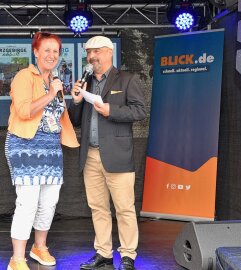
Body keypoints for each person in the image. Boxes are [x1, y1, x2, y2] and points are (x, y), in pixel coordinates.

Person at [68, 36, 146, 270]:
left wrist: (110, 110)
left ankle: (128, 255)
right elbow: (74, 120)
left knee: (124, 208)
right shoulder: (86, 83)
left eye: (96, 52)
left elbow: (140, 111)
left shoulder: (126, 79)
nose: (91, 57)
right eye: (89, 53)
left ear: (109, 53)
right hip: (90, 155)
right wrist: (76, 101)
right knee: (98, 208)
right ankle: (103, 253)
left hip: (118, 155)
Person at [5, 32, 79, 270]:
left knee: (48, 203)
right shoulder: (24, 76)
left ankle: (39, 247)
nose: (51, 55)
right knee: (28, 203)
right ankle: (17, 258)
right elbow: (25, 111)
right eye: (46, 50)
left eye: (55, 51)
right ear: (35, 52)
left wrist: (73, 99)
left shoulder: (54, 80)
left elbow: (59, 116)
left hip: (51, 149)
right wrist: (49, 95)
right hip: (25, 147)